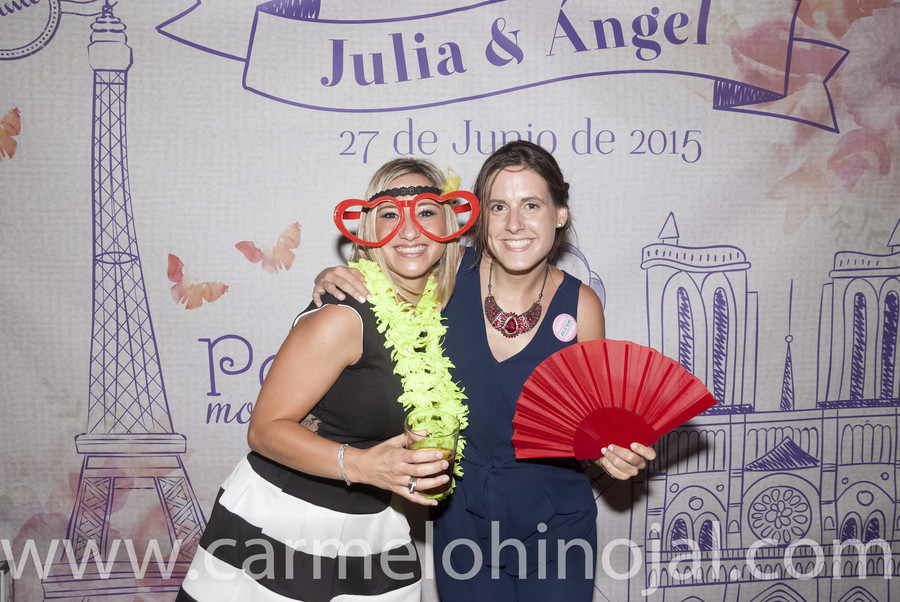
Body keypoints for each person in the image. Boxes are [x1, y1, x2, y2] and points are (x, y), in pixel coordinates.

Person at [313, 141, 656, 600]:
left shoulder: (582, 306)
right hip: (462, 520)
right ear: (479, 218)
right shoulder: (443, 276)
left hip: (558, 523)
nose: (514, 223)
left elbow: (589, 427)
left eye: (531, 205)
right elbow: (384, 268)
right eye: (498, 206)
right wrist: (331, 276)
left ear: (559, 214)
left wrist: (612, 453)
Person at [177, 158, 478, 602]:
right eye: (390, 214)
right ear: (369, 230)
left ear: (449, 224)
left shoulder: (440, 308)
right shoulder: (342, 316)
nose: (409, 230)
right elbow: (264, 430)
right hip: (287, 521)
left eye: (426, 212)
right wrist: (365, 466)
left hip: (373, 525)